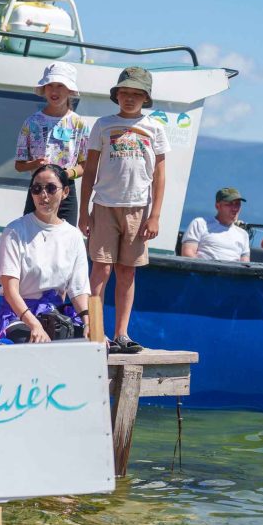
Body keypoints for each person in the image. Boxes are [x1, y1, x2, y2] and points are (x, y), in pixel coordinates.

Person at [78, 66, 169, 354]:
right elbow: (90, 169)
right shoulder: (103, 124)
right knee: (100, 269)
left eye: (136, 94)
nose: (129, 98)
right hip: (104, 205)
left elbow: (160, 174)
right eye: (124, 92)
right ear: (116, 95)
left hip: (138, 209)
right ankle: (94, 329)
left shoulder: (155, 127)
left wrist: (155, 215)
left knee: (127, 271)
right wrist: (83, 212)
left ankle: (122, 333)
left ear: (146, 98)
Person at [0, 165, 91, 344]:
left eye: (51, 188)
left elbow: (79, 290)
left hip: (55, 317)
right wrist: (35, 325)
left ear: (65, 192)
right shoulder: (15, 230)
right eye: (37, 189)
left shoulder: (73, 236)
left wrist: (90, 324)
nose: (44, 195)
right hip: (18, 316)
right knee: (29, 339)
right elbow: (11, 291)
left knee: (93, 344)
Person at [14, 62, 90, 226]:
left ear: (69, 90)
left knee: (65, 239)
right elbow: (19, 165)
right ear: (44, 89)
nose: (54, 91)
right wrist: (34, 164)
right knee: (31, 236)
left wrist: (66, 174)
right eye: (50, 85)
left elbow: (85, 165)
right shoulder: (31, 122)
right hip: (37, 188)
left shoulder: (79, 124)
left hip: (66, 190)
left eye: (60, 86)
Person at [180, 188, 250, 262]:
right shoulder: (200, 224)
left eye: (237, 204)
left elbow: (245, 264)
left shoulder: (243, 234)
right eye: (229, 204)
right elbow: (187, 254)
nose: (235, 208)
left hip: (232, 273)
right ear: (218, 206)